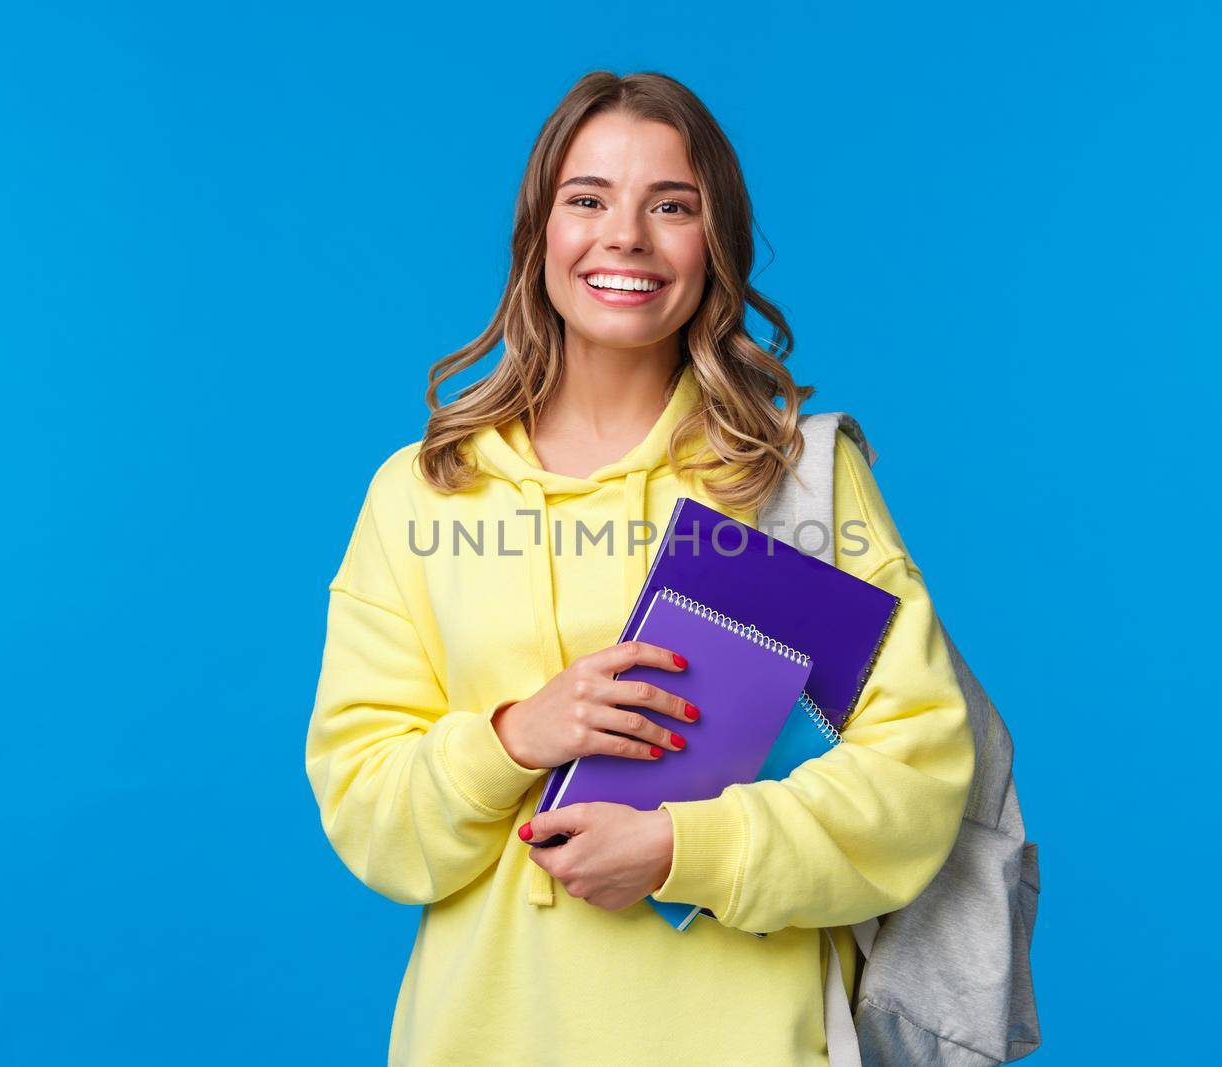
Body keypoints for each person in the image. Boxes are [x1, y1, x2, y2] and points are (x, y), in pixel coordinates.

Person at [303, 70, 975, 1065]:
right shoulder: (422, 494)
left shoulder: (793, 481)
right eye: (588, 200)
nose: (626, 236)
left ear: (717, 243)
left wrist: (679, 850)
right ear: (539, 235)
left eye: (672, 205)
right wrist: (516, 737)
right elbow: (370, 815)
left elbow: (914, 780)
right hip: (483, 1033)